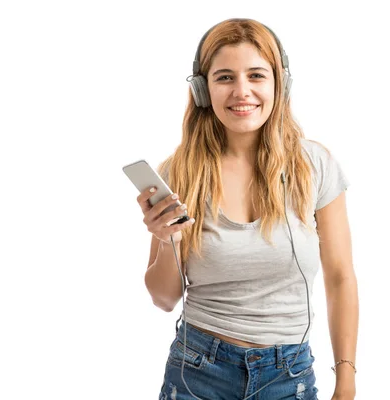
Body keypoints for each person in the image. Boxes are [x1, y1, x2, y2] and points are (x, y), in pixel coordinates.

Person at [136, 18, 358, 400]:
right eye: (225, 78)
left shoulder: (314, 166)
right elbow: (163, 298)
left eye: (256, 75)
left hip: (288, 373)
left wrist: (346, 380)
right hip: (197, 370)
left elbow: (340, 277)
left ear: (280, 83)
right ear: (204, 90)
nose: (242, 92)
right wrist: (168, 238)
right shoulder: (179, 172)